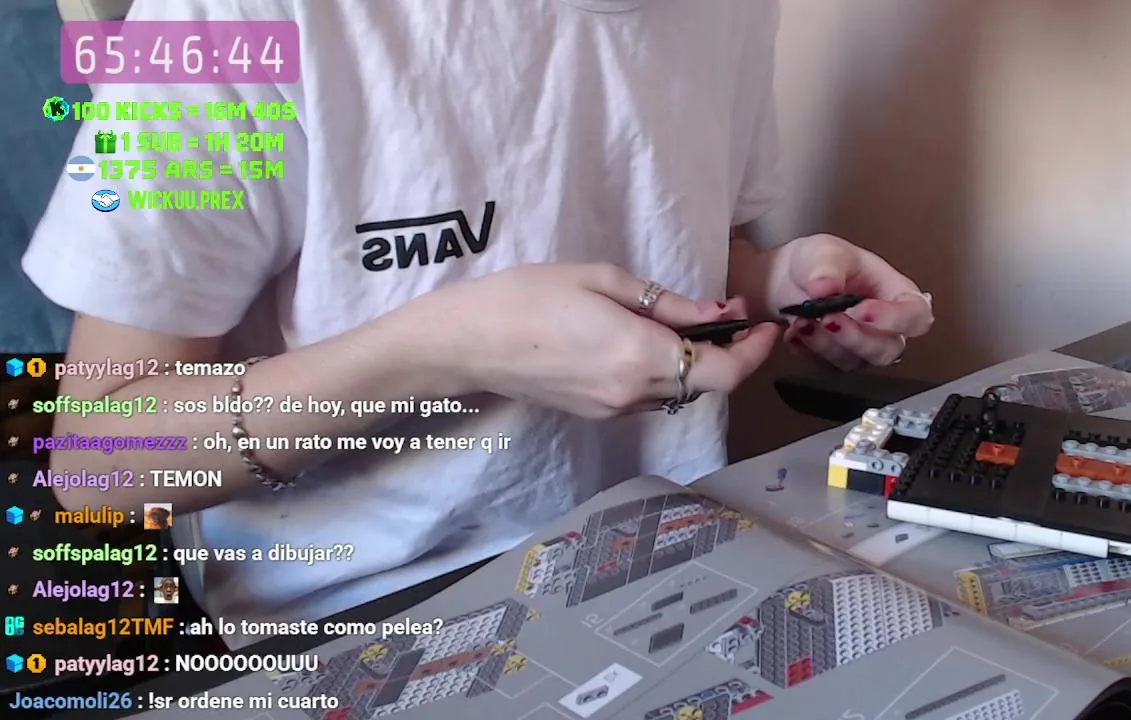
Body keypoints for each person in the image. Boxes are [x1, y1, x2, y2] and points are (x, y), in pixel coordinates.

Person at [23, 0, 933, 648]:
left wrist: (773, 280)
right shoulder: (226, 19)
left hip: (665, 546)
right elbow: (97, 466)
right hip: (357, 605)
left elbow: (673, 237)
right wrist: (446, 349)